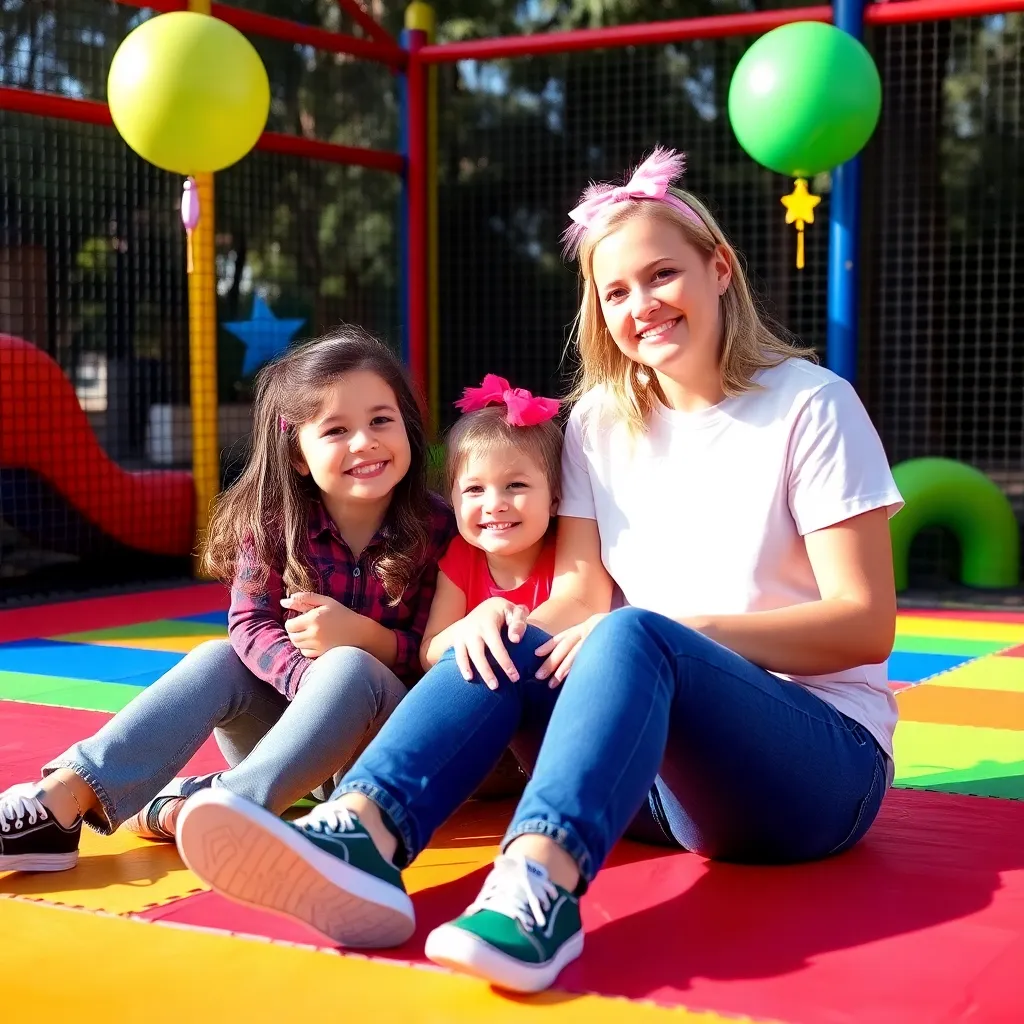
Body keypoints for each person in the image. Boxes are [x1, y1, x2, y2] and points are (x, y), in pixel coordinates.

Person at [173, 148, 902, 995]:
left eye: (662, 274)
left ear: (720, 268)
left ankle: (536, 889)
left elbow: (863, 623)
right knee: (508, 633)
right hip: (659, 779)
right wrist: (480, 627)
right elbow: (579, 596)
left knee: (638, 632)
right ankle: (360, 832)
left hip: (817, 774)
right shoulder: (597, 422)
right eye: (615, 291)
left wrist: (687, 635)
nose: (642, 305)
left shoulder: (810, 405)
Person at [0, 328, 455, 872]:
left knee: (351, 667)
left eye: (381, 420)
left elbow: (439, 655)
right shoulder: (272, 526)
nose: (365, 441)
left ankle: (227, 809)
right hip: (287, 738)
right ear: (298, 456)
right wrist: (310, 682)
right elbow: (249, 625)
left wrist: (363, 642)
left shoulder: (440, 530)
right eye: (336, 429)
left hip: (383, 748)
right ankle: (63, 803)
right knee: (217, 656)